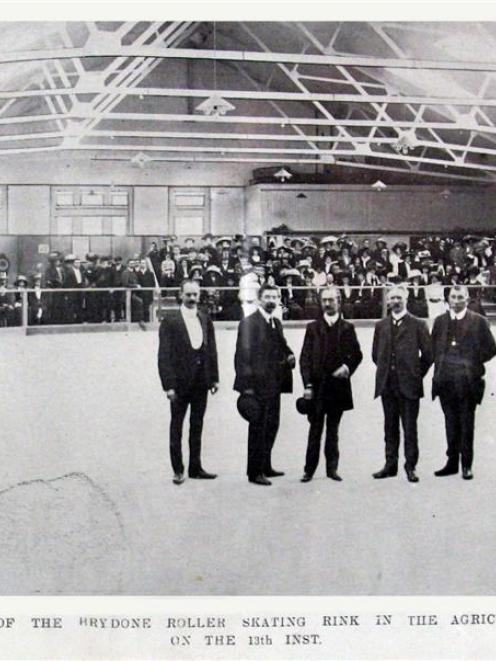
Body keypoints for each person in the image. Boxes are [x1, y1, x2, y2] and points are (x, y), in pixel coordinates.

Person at [158, 279, 219, 485]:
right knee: (177, 426)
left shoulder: (204, 317)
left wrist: (214, 379)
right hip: (180, 384)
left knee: (197, 425)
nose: (192, 298)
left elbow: (211, 350)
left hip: (201, 382)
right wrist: (169, 386)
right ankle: (178, 469)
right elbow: (164, 356)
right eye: (189, 294)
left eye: (195, 294)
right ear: (181, 295)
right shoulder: (170, 320)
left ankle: (195, 467)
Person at [234, 283, 295, 485]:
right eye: (267, 296)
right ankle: (254, 472)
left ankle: (266, 465)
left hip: (274, 384)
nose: (271, 300)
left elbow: (282, 346)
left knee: (272, 425)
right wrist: (247, 388)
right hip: (257, 387)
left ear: (278, 300)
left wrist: (290, 355)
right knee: (258, 428)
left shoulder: (275, 323)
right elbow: (242, 357)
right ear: (260, 299)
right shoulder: (249, 323)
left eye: (274, 297)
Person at [432, 285, 496, 480]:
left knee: (467, 424)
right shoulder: (440, 321)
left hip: (468, 382)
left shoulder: (479, 321)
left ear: (467, 300)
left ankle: (466, 465)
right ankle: (451, 463)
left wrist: (472, 363)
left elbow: (491, 349)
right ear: (448, 299)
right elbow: (433, 346)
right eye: (453, 297)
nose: (456, 300)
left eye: (461, 297)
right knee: (450, 423)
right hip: (445, 380)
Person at [299, 286, 363, 482]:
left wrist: (347, 367)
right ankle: (309, 470)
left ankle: (332, 469)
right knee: (315, 430)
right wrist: (308, 385)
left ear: (339, 301)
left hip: (338, 387)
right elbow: (305, 359)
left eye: (331, 300)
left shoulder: (347, 328)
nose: (327, 304)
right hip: (317, 387)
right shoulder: (312, 328)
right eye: (324, 300)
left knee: (333, 430)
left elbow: (357, 355)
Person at [372, 285, 433, 482]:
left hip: (409, 384)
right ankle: (390, 465)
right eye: (392, 298)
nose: (395, 301)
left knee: (409, 427)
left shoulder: (418, 324)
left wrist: (415, 374)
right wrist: (387, 370)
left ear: (406, 300)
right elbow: (376, 354)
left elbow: (429, 355)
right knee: (389, 426)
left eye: (399, 297)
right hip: (387, 384)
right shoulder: (381, 325)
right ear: (387, 301)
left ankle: (410, 466)